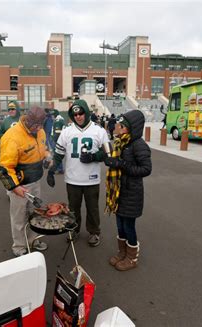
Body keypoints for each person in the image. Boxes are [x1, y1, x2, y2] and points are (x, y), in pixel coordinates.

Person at [47, 100, 109, 246]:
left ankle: (94, 232)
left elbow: (108, 153)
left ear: (86, 112)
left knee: (92, 208)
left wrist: (94, 156)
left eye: (81, 113)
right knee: (73, 208)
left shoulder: (98, 131)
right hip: (72, 179)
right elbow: (59, 153)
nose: (78, 116)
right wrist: (52, 170)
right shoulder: (67, 131)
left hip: (91, 179)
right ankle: (74, 230)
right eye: (75, 114)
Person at [104, 110, 152, 271]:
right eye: (120, 124)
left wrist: (122, 165)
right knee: (120, 225)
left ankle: (132, 257)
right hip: (119, 192)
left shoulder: (138, 145)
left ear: (132, 128)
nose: (119, 127)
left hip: (132, 193)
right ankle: (122, 252)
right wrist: (112, 162)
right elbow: (119, 163)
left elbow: (146, 169)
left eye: (123, 125)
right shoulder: (121, 142)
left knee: (128, 226)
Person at [0, 106, 49, 257]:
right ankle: (19, 247)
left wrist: (46, 156)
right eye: (35, 125)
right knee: (19, 217)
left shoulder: (40, 131)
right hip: (19, 184)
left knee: (35, 213)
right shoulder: (12, 137)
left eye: (41, 125)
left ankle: (33, 240)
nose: (38, 128)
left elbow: (43, 147)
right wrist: (15, 187)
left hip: (35, 181)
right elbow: (4, 169)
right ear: (27, 119)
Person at [51, 109, 65, 174]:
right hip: (59, 140)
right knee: (57, 155)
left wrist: (54, 140)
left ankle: (60, 169)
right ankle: (59, 168)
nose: (52, 116)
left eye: (52, 115)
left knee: (57, 155)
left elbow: (57, 132)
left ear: (55, 115)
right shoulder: (61, 119)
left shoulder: (58, 121)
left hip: (57, 140)